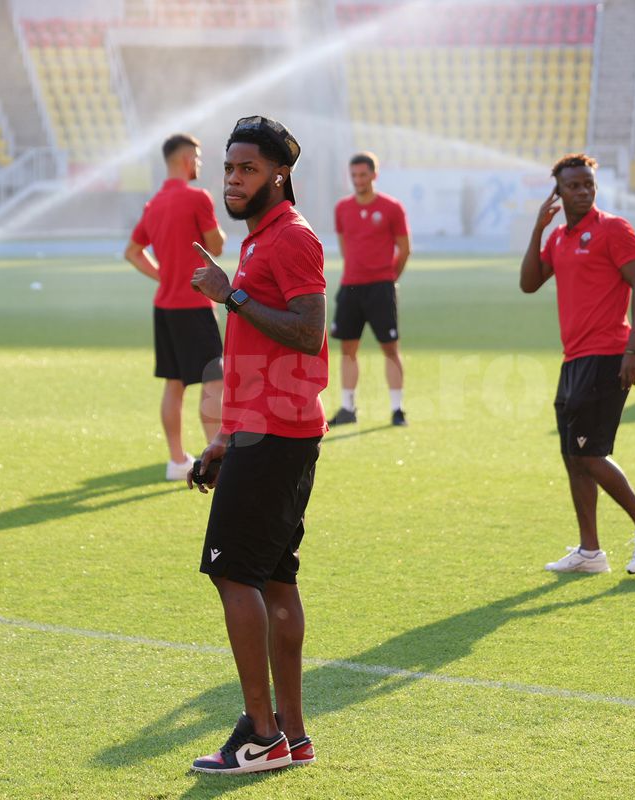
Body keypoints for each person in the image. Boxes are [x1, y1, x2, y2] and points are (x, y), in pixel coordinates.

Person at [186, 116, 328, 775]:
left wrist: (231, 294)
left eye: (247, 169)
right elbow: (255, 355)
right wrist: (225, 438)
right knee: (275, 579)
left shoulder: (292, 237)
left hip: (278, 435)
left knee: (232, 573)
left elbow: (307, 333)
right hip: (265, 432)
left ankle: (260, 735)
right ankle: (291, 735)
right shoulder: (262, 239)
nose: (232, 180)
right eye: (228, 168)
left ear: (280, 175)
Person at [519, 153, 635, 576]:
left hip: (609, 354)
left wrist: (634, 349)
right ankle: (590, 552)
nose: (583, 191)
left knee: (590, 455)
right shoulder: (558, 238)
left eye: (588, 184)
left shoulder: (613, 228)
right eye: (573, 185)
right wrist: (538, 229)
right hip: (573, 359)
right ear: (558, 192)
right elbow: (529, 283)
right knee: (574, 455)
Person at [124, 133, 227, 481]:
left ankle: (176, 460)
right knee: (214, 379)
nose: (199, 163)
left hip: (165, 306)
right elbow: (216, 246)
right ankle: (217, 457)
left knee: (174, 383)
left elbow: (132, 252)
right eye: (196, 157)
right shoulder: (198, 198)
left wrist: (163, 276)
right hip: (193, 305)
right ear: (185, 160)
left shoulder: (153, 204)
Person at [327, 151, 411, 427]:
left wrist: (388, 277)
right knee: (348, 349)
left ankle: (397, 409)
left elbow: (404, 249)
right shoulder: (342, 208)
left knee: (390, 348)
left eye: (363, 174)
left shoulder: (391, 207)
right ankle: (348, 407)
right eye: (354, 175)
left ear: (375, 174)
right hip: (351, 287)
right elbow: (344, 246)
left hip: (380, 288)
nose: (358, 180)